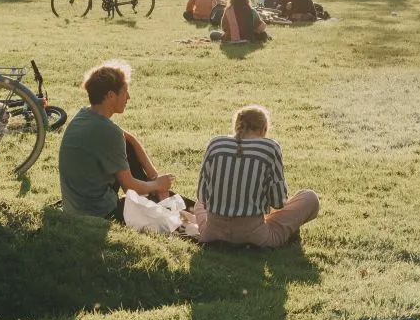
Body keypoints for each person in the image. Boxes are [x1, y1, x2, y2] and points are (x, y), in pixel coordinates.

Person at [58, 60, 179, 221]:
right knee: (160, 216)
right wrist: (158, 184)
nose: (128, 97)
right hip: (98, 213)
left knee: (127, 146)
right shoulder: (108, 131)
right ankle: (155, 195)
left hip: (73, 206)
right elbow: (129, 187)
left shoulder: (85, 114)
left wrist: (153, 176)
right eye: (125, 91)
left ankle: (155, 192)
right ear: (110, 96)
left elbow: (129, 139)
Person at [190, 105, 320, 249]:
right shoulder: (270, 148)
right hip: (254, 237)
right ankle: (279, 228)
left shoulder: (215, 144)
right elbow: (278, 202)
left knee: (198, 204)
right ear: (264, 129)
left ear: (236, 127)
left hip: (212, 234)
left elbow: (202, 197)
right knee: (310, 198)